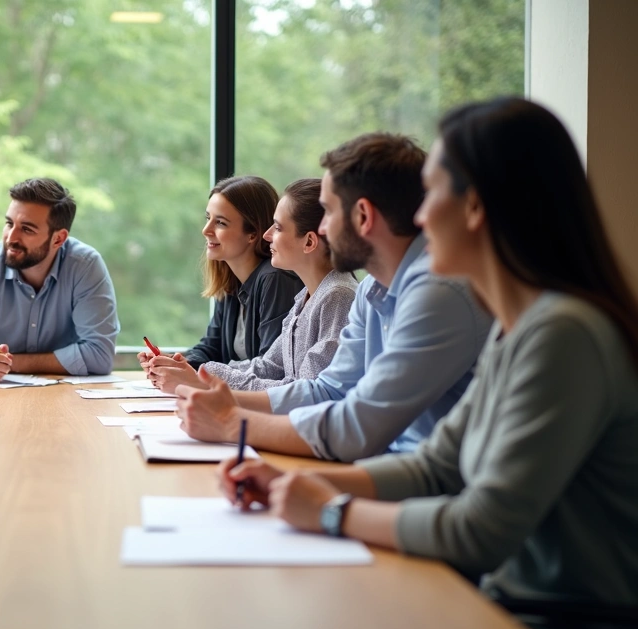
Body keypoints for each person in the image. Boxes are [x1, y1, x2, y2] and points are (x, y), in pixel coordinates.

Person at [222, 98, 638, 628]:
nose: (417, 217)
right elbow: (436, 465)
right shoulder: (521, 327)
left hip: (556, 619)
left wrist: (331, 511)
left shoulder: (564, 334)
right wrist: (285, 482)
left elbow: (481, 529)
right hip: (506, 600)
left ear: (475, 207)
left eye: (432, 193)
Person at [176, 133, 492, 461]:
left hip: (416, 482)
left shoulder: (435, 293)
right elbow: (328, 391)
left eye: (327, 211)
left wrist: (231, 423)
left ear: (363, 217)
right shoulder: (372, 289)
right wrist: (220, 400)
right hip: (397, 471)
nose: (322, 228)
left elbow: (357, 426)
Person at [151, 179, 357, 394]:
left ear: (309, 242)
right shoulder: (306, 297)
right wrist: (195, 372)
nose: (267, 235)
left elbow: (306, 393)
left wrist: (201, 379)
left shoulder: (337, 296)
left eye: (277, 227)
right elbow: (268, 367)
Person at [0, 178, 119, 382]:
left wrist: (10, 364)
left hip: (66, 397)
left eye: (27, 229)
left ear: (58, 239)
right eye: (9, 223)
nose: (11, 238)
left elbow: (99, 355)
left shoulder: (85, 266)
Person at [140, 176, 304, 381]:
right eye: (207, 218)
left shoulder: (275, 279)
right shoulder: (232, 279)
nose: (206, 230)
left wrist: (193, 374)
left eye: (220, 223)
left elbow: (272, 369)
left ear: (253, 233)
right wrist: (176, 363)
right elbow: (211, 347)